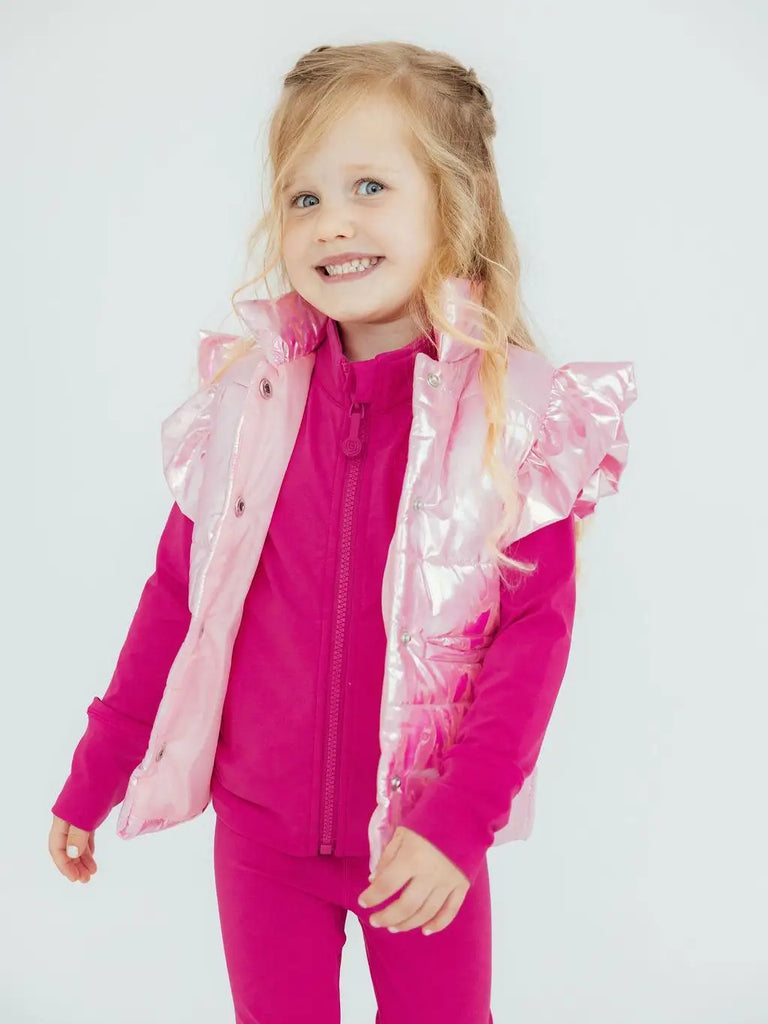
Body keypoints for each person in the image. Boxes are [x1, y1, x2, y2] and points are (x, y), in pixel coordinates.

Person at [48, 41, 638, 1024]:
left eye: (370, 186)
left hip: (421, 842)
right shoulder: (245, 406)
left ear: (454, 203)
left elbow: (531, 639)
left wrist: (458, 821)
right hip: (260, 842)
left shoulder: (512, 424)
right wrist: (95, 774)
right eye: (304, 196)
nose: (332, 222)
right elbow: (178, 599)